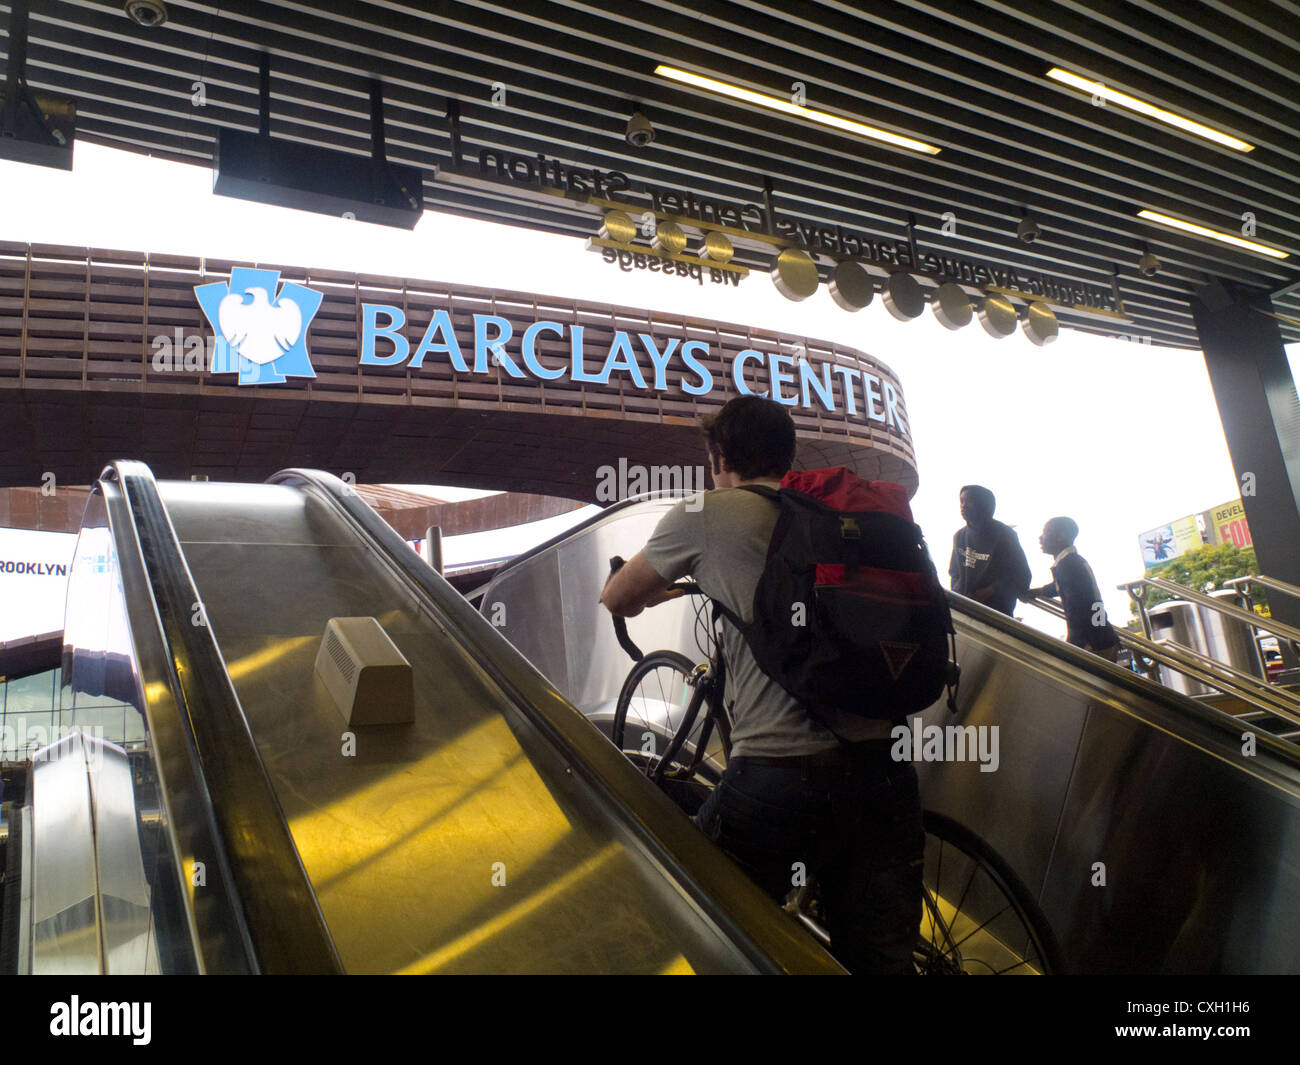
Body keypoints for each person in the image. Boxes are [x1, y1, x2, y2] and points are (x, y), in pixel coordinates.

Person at [599, 395, 923, 975]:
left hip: (781, 777)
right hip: (886, 773)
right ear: (788, 453)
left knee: (690, 912)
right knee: (880, 961)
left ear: (719, 455)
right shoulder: (827, 519)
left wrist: (655, 586)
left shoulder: (706, 511)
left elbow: (618, 595)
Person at [1022, 517, 1121, 661]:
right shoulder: (1071, 562)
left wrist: (1073, 642)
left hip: (1092, 643)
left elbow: (1076, 607)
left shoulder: (1068, 566)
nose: (1040, 538)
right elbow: (1059, 587)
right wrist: (1038, 592)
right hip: (1101, 636)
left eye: (1046, 533)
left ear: (1060, 538)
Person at [948, 485, 1030, 616]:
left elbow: (1021, 575)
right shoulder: (960, 536)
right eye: (961, 501)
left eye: (969, 502)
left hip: (996, 612)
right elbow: (954, 572)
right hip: (964, 607)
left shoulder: (1005, 535)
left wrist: (991, 590)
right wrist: (957, 594)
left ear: (983, 505)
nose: (963, 506)